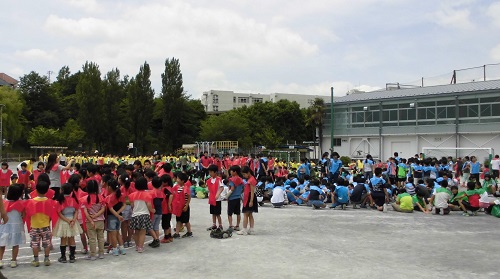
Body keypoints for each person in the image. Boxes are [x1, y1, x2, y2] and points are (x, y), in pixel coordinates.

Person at [25, 181, 54, 267]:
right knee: (47, 243)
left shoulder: (31, 201)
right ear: (46, 191)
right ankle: (46, 259)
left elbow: (28, 213)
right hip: (46, 225)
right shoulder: (49, 201)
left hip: (34, 226)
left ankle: (36, 259)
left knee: (35, 244)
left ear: (36, 190)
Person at [53, 183, 83, 263]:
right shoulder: (74, 199)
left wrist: (67, 220)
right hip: (72, 220)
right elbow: (76, 210)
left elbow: (59, 213)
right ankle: (72, 256)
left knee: (63, 239)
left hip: (64, 221)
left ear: (62, 190)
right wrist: (73, 220)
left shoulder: (60, 200)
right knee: (71, 238)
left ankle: (63, 257)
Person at [129, 177, 158, 252]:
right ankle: (140, 247)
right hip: (144, 215)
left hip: (135, 215)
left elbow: (132, 205)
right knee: (142, 232)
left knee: (136, 232)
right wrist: (152, 210)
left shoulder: (132, 195)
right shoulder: (147, 194)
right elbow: (149, 205)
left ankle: (137, 245)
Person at [0, 184, 26, 268]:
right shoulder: (21, 203)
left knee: (2, 244)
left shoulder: (4, 202)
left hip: (5, 225)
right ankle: (13, 261)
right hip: (17, 225)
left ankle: (0, 260)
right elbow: (23, 214)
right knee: (15, 244)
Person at [81, 180, 106, 260]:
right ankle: (101, 253)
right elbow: (103, 209)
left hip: (90, 222)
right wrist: (97, 215)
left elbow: (85, 212)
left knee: (92, 239)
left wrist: (91, 219)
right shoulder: (101, 197)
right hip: (100, 220)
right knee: (101, 238)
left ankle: (93, 254)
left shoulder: (85, 199)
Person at [105, 179, 126, 256]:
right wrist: (119, 214)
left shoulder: (109, 197)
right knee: (118, 233)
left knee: (113, 234)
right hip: (119, 217)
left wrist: (116, 215)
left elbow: (110, 208)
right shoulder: (122, 195)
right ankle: (122, 248)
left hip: (111, 217)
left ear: (110, 187)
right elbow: (124, 205)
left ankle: (115, 249)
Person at [172, 172, 193, 239]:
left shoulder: (185, 188)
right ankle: (177, 233)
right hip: (179, 207)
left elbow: (189, 197)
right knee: (178, 220)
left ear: (182, 180)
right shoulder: (176, 187)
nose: (176, 179)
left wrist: (186, 205)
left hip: (184, 207)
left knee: (186, 221)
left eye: (178, 178)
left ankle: (189, 232)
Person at [238, 166, 258, 235]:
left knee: (246, 214)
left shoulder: (251, 180)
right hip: (248, 197)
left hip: (250, 197)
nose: (244, 176)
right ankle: (251, 229)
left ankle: (244, 229)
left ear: (248, 173)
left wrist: (251, 201)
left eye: (244, 174)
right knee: (249, 214)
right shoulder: (250, 179)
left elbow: (252, 191)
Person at [206, 165, 224, 230]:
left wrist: (218, 194)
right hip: (211, 199)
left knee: (217, 213)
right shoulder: (209, 180)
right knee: (213, 213)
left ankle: (220, 225)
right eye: (209, 172)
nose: (210, 174)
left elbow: (222, 187)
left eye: (211, 172)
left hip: (217, 199)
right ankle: (214, 224)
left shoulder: (219, 179)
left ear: (215, 172)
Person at [227, 166, 244, 230]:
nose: (230, 172)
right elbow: (243, 188)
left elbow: (232, 188)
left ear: (235, 172)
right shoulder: (240, 179)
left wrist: (227, 196)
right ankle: (237, 226)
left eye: (231, 171)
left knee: (230, 213)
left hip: (232, 198)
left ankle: (231, 225)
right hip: (238, 197)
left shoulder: (232, 179)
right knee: (238, 212)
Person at [159, 175, 174, 243]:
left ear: (166, 182)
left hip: (166, 209)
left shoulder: (165, 189)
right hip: (168, 209)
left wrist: (168, 204)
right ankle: (170, 236)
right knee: (168, 222)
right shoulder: (170, 187)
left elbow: (171, 195)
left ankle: (166, 237)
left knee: (165, 224)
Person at [149, 177, 163, 248]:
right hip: (160, 211)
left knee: (149, 227)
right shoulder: (161, 193)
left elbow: (151, 203)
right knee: (156, 227)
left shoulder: (151, 192)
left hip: (153, 212)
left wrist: (151, 209)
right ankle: (156, 240)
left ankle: (156, 239)